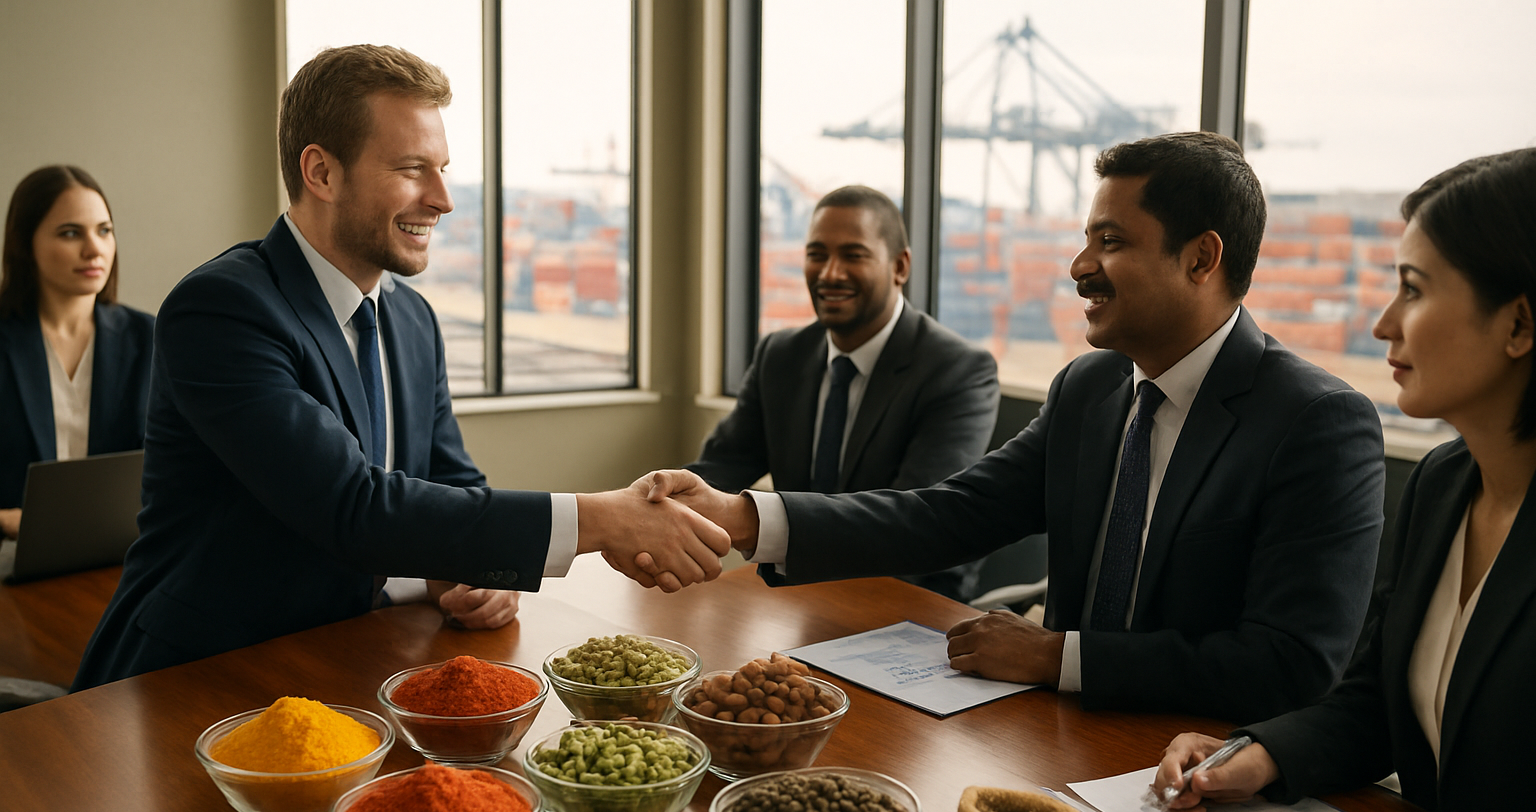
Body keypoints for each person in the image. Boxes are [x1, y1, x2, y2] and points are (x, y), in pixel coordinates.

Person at [630, 132, 1386, 724]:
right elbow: (949, 513)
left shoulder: (1316, 423)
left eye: (1111, 242)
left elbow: (1290, 664)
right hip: (1053, 738)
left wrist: (1060, 657)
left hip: (1203, 765)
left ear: (1202, 258)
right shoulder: (1090, 389)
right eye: (1088, 238)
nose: (1078, 265)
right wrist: (743, 515)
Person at [71, 43, 726, 694]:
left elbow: (450, 480)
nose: (442, 199)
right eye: (414, 169)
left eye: (442, 169)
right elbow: (352, 508)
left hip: (355, 658)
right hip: (204, 675)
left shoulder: (412, 319)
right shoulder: (222, 309)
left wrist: (471, 572)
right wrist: (604, 518)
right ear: (322, 173)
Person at [1153, 148, 1536, 812]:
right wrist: (1255, 756)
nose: (1382, 321)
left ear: (1520, 322)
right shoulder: (1442, 482)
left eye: (1414, 289)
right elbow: (1375, 707)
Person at [685, 185, 998, 599]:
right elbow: (721, 468)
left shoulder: (958, 371)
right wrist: (661, 513)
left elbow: (916, 526)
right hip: (797, 590)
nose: (830, 273)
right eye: (817, 254)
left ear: (900, 266)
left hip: (908, 602)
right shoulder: (781, 355)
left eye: (853, 255)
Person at [0, 165, 153, 540]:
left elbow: (172, 470)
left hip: (119, 556)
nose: (94, 249)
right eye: (71, 233)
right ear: (25, 243)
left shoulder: (147, 337)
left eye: (104, 231)